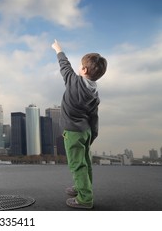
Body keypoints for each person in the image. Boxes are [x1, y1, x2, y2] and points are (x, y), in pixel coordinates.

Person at [51, 39, 107, 209]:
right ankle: (82, 187)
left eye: (80, 66)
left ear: (83, 70)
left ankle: (85, 199)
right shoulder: (95, 94)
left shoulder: (73, 81)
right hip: (86, 131)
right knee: (85, 163)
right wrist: (93, 135)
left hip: (73, 133)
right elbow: (94, 117)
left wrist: (58, 49)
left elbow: (64, 64)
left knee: (77, 165)